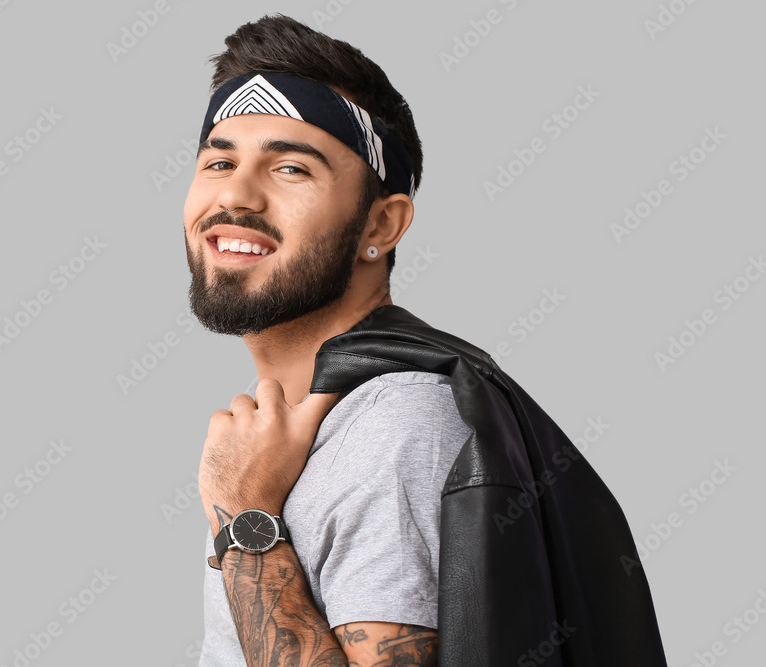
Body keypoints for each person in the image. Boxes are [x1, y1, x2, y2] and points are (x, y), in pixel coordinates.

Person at [182, 14, 452, 666]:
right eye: (219, 160)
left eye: (291, 169)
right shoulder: (280, 430)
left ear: (381, 224)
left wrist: (246, 516)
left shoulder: (398, 425)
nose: (236, 195)